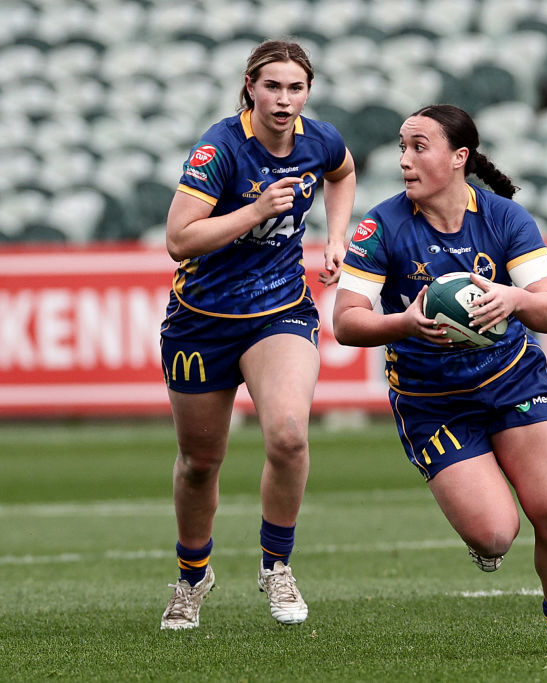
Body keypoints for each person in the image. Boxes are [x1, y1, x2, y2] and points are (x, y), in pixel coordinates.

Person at [332, 104, 547, 655]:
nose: (403, 159)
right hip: (432, 402)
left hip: (512, 381)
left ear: (459, 159)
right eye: (402, 146)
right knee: (495, 532)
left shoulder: (505, 219)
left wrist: (516, 297)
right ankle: (483, 528)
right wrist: (405, 322)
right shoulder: (380, 226)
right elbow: (346, 321)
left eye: (418, 146)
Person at [158, 39, 356, 630]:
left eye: (296, 88)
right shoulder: (219, 149)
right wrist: (254, 211)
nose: (284, 99)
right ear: (250, 86)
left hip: (279, 310)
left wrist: (336, 237)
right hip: (202, 319)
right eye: (272, 86)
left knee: (290, 435)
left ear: (308, 93)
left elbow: (343, 173)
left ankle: (277, 566)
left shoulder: (319, 140)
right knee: (200, 461)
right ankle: (193, 575)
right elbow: (178, 238)